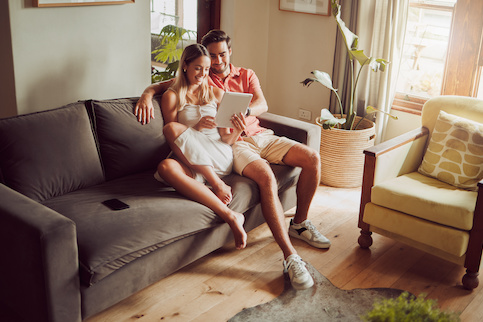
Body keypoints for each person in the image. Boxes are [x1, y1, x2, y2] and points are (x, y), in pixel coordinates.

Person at [136, 30, 330, 290]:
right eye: (206, 62)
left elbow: (242, 123)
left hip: (239, 142)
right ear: (188, 65)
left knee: (311, 158)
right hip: (213, 150)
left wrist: (239, 122)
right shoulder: (181, 90)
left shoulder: (226, 85)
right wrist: (148, 94)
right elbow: (170, 108)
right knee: (168, 163)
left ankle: (298, 226)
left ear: (230, 52)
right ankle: (240, 221)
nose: (212, 66)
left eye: (219, 57)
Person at [155, 43, 248, 250]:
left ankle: (217, 184)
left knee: (172, 129)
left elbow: (226, 139)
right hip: (192, 159)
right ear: (185, 66)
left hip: (218, 155)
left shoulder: (216, 94)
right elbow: (173, 138)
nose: (202, 74)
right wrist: (196, 127)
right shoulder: (172, 96)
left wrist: (238, 131)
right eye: (198, 68)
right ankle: (231, 216)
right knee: (165, 166)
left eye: (206, 69)